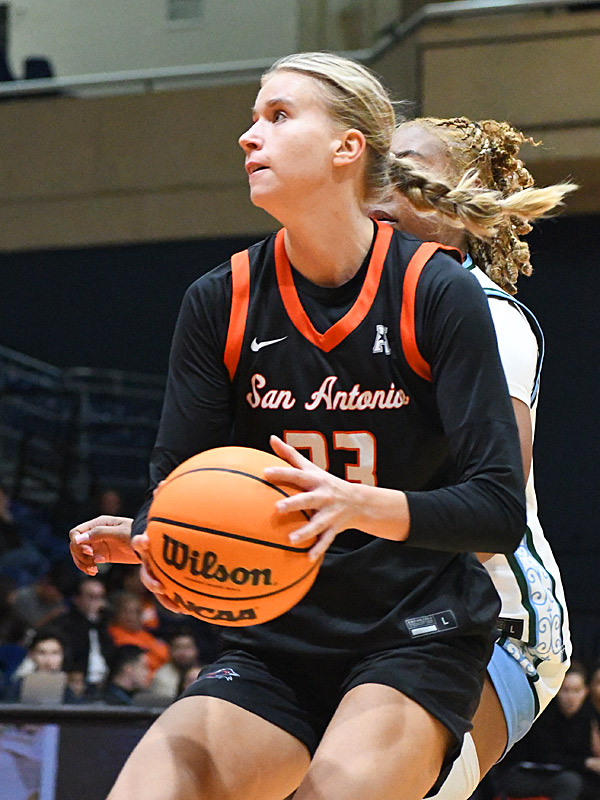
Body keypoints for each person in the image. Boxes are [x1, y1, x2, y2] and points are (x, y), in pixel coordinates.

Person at [70, 51, 530, 800]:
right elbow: (175, 480)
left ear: (348, 147)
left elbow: (497, 510)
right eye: (253, 119)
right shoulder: (221, 301)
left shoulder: (434, 292)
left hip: (413, 633)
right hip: (274, 637)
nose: (250, 137)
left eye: (278, 117)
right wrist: (162, 540)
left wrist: (356, 504)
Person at [369, 115, 575, 799]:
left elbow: (496, 502)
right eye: (380, 163)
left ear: (462, 208)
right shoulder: (342, 319)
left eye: (409, 165)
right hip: (378, 617)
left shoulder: (487, 315)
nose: (385, 178)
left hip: (496, 621)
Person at [495, 662, 600, 800]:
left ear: (585, 691)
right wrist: (586, 763)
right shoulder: (542, 715)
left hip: (567, 773)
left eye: (576, 690)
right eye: (565, 690)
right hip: (524, 773)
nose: (570, 697)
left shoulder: (588, 716)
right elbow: (545, 757)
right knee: (570, 782)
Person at [53, 576, 115, 698]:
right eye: (92, 597)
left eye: (100, 597)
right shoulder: (65, 624)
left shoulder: (106, 623)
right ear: (77, 599)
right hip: (75, 683)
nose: (98, 603)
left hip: (105, 685)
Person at [107, 592, 169, 677]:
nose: (132, 617)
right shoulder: (113, 634)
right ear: (117, 613)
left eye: (137, 612)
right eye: (127, 612)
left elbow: (165, 655)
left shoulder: (144, 634)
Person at [149, 626, 203, 701]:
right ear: (170, 651)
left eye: (187, 647)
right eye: (178, 647)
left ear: (196, 650)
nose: (183, 653)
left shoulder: (205, 673)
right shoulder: (162, 678)